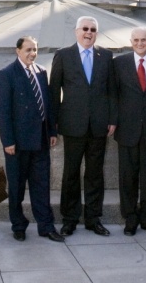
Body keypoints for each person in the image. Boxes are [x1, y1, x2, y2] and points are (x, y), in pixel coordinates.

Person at [49, 15, 118, 236]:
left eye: (93, 29)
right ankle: (69, 218)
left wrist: (112, 119)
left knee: (95, 174)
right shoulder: (63, 55)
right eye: (85, 29)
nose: (88, 33)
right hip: (72, 125)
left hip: (99, 125)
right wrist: (54, 123)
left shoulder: (106, 56)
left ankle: (93, 218)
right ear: (76, 31)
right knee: (71, 172)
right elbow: (53, 92)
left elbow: (112, 92)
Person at [0, 36, 64, 243]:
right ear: (18, 51)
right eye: (28, 50)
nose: (32, 54)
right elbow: (3, 110)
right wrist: (7, 141)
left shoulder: (41, 72)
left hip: (41, 140)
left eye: (34, 50)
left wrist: (52, 132)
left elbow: (49, 104)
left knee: (41, 186)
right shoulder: (7, 74)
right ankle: (18, 225)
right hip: (17, 143)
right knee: (16, 187)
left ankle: (46, 226)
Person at [113, 27, 146, 236]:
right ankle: (130, 217)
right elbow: (113, 95)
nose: (140, 43)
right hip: (127, 129)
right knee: (128, 176)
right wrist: (113, 122)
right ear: (131, 42)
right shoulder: (119, 63)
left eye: (143, 40)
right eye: (136, 40)